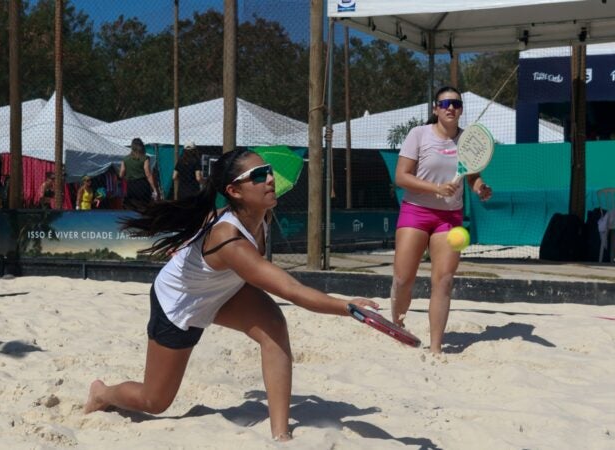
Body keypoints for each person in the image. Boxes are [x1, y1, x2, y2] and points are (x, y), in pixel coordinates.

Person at [83, 149, 378, 442]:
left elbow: (214, 218)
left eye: (270, 171)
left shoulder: (257, 213)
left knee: (274, 327)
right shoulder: (231, 241)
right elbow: (293, 290)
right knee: (155, 401)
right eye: (259, 175)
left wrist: (194, 236)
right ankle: (102, 393)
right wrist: (347, 306)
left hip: (222, 290)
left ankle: (280, 434)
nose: (270, 179)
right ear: (234, 190)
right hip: (180, 303)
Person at [389, 86, 492, 353]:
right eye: (445, 103)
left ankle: (436, 347)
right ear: (435, 108)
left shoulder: (467, 141)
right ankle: (397, 325)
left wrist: (479, 187)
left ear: (460, 110)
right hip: (416, 210)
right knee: (402, 279)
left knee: (444, 279)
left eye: (456, 104)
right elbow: (401, 177)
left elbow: (471, 175)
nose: (450, 108)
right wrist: (435, 188)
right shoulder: (419, 134)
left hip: (449, 216)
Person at [120, 138, 159, 210]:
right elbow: (148, 174)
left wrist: (126, 176)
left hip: (130, 185)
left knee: (131, 206)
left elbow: (121, 173)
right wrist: (154, 188)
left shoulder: (125, 159)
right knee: (144, 206)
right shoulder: (145, 158)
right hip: (142, 184)